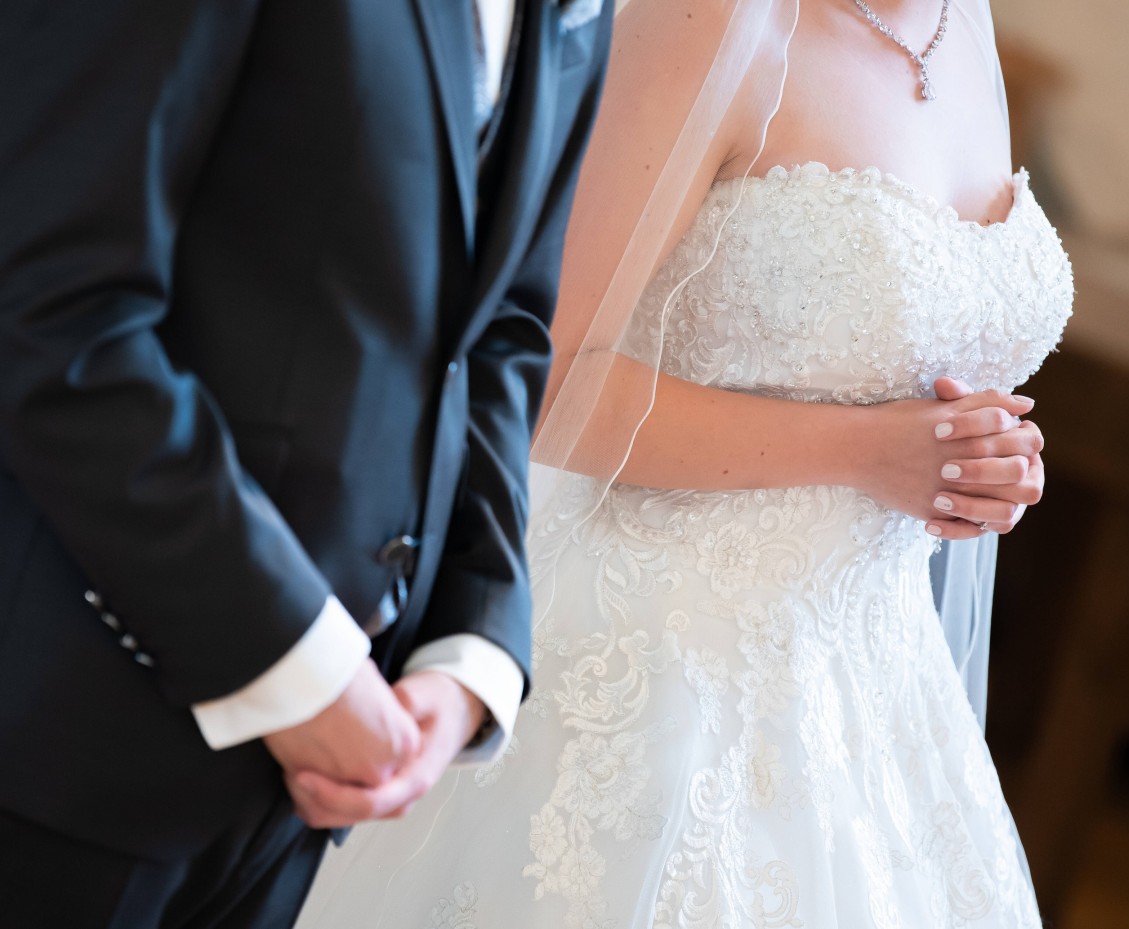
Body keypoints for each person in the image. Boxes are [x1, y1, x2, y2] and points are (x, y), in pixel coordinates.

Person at [297, 0, 1072, 926]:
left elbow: (930, 361)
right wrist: (869, 452)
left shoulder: (961, 27)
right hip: (666, 672)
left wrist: (975, 466)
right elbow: (542, 378)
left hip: (879, 695)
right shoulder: (712, 17)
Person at [0, 0, 611, 925]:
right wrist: (296, 663)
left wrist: (471, 644)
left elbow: (499, 329)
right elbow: (51, 310)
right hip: (61, 731)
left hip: (303, 799)